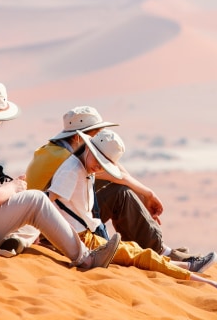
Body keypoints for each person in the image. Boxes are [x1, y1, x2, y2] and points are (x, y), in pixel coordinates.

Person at [0, 80, 121, 270]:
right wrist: (14, 187)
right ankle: (86, 259)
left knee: (32, 214)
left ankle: (15, 241)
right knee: (37, 200)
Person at [48, 128, 217, 297]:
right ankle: (216, 285)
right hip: (79, 241)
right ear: (89, 148)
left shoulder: (82, 166)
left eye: (104, 165)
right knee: (142, 256)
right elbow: (47, 202)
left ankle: (190, 267)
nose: (98, 169)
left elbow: (120, 177)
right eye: (98, 162)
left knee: (139, 254)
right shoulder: (71, 171)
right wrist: (45, 237)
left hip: (84, 237)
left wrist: (147, 193)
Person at [26, 106, 197, 262]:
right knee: (121, 194)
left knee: (120, 190)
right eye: (96, 134)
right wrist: (148, 194)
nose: (99, 138)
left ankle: (157, 249)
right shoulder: (70, 162)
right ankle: (159, 251)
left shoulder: (48, 150)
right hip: (51, 229)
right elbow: (119, 176)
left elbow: (115, 168)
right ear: (80, 137)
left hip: (49, 222)